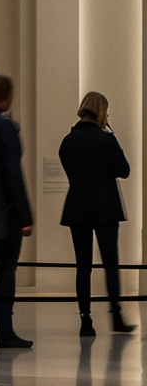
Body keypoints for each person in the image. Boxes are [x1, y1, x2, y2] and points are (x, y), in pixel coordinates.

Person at [59, 90, 134, 338]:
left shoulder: (67, 142)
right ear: (102, 112)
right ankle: (116, 316)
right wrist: (111, 135)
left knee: (84, 266)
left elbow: (72, 172)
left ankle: (86, 320)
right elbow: (124, 170)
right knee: (110, 264)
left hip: (77, 206)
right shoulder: (106, 140)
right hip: (105, 208)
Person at [0, 74, 34, 349]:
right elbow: (13, 175)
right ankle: (4, 330)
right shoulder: (5, 128)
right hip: (3, 214)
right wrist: (25, 218)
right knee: (5, 272)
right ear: (7, 97)